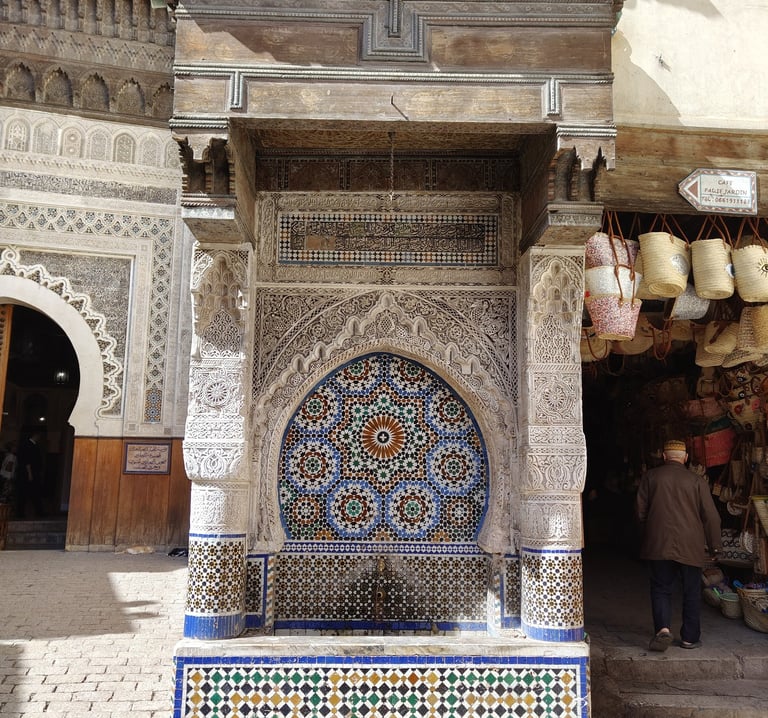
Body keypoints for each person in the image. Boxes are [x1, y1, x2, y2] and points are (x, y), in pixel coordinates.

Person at [636, 438, 722, 652]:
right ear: (685, 458)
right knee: (691, 591)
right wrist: (715, 546)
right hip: (691, 546)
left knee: (661, 588)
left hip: (659, 544)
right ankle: (690, 638)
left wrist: (647, 535)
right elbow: (711, 517)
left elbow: (639, 513)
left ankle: (663, 630)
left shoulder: (651, 477)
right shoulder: (697, 481)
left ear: (664, 457)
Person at [15, 430, 45, 518]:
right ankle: (23, 513)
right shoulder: (28, 446)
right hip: (29, 473)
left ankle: (38, 511)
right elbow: (27, 460)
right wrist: (30, 473)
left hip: (30, 473)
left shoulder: (31, 445)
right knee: (27, 493)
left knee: (30, 493)